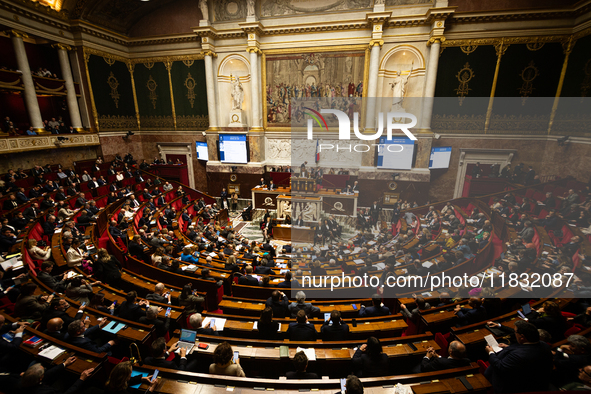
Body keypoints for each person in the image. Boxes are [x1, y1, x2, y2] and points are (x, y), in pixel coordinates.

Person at [484, 320, 553, 393]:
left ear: (522, 337)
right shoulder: (544, 345)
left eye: (515, 332)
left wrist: (490, 352)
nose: (514, 333)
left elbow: (499, 366)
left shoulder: (518, 355)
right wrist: (508, 347)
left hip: (513, 387)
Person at [3, 358, 93, 394]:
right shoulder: (47, 392)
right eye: (43, 373)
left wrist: (64, 364)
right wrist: (81, 379)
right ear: (40, 378)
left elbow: (47, 375)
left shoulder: (12, 379)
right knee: (65, 379)